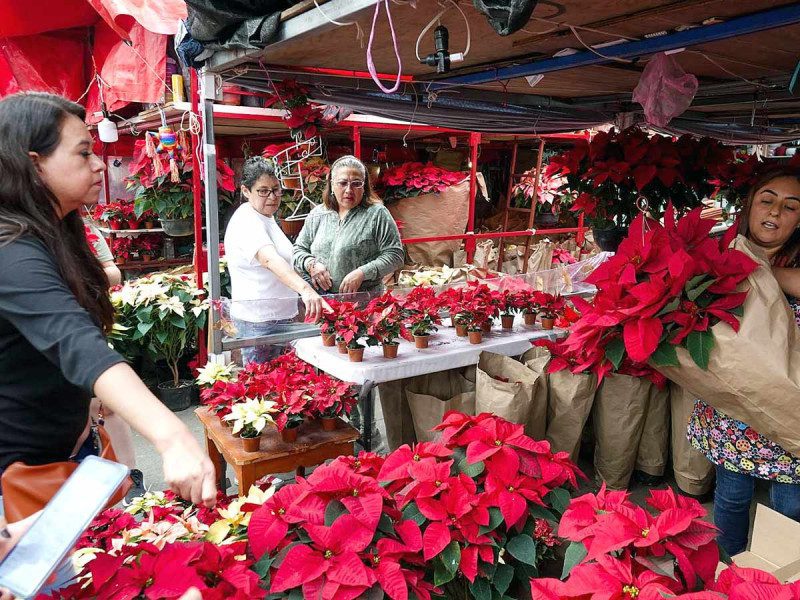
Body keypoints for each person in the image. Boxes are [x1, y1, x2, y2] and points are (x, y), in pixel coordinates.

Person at [0, 93, 216, 521]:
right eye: (83, 154)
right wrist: (173, 436)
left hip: (67, 454)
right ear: (34, 164)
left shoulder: (60, 232)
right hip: (19, 482)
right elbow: (75, 342)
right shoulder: (11, 250)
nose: (100, 165)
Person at [688, 166, 800, 555]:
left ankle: (779, 582)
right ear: (750, 204)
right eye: (767, 200)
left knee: (789, 509)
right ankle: (725, 574)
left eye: (790, 207)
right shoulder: (719, 249)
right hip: (733, 407)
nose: (775, 212)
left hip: (789, 408)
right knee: (731, 498)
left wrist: (760, 270)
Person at [224, 156, 329, 365]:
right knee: (262, 388)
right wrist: (306, 290)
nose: (272, 197)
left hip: (281, 319)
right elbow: (270, 260)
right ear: (246, 191)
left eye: (276, 190)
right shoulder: (246, 220)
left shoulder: (267, 217)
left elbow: (287, 260)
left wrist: (310, 270)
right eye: (263, 191)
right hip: (259, 323)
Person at [293, 155, 404, 295]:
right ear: (332, 184)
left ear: (364, 187)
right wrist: (311, 265)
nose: (349, 190)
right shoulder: (318, 214)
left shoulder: (376, 214)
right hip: (320, 302)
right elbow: (298, 250)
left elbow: (395, 255)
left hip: (364, 302)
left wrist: (362, 273)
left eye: (356, 183)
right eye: (342, 183)